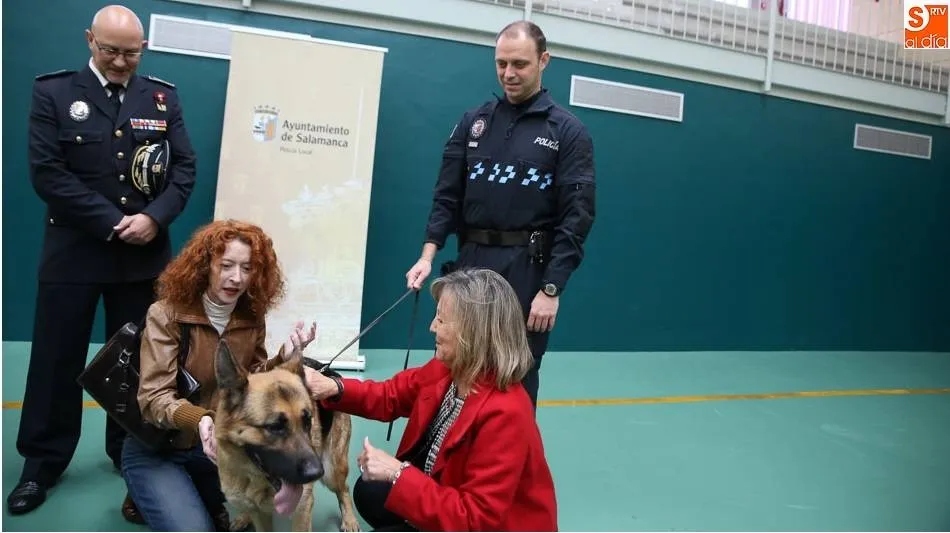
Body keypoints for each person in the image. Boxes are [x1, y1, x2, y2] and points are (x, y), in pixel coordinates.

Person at [8, 4, 197, 518]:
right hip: (74, 250)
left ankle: (129, 452)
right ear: (89, 40)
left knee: (138, 362)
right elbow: (47, 172)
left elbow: (183, 168)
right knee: (55, 360)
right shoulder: (54, 93)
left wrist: (155, 218)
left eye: (130, 53)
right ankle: (42, 463)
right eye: (110, 50)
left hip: (143, 257)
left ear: (143, 49)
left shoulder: (162, 97)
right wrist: (111, 222)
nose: (119, 62)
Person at [404, 20, 596, 410]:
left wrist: (551, 289)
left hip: (526, 271)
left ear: (544, 61)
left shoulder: (568, 132)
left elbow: (576, 217)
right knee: (458, 366)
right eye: (501, 63)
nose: (509, 74)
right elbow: (447, 197)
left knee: (515, 377)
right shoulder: (473, 122)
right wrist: (427, 256)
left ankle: (511, 468)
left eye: (520, 64)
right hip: (470, 264)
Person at [304, 268, 558, 532]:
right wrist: (332, 387)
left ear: (473, 333)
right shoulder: (449, 369)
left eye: (441, 319)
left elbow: (475, 520)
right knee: (371, 491)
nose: (431, 326)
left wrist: (398, 474)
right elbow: (390, 395)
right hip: (449, 498)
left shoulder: (506, 413)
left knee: (383, 489)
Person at [120, 219, 316, 531]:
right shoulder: (166, 314)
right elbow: (153, 399)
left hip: (215, 445)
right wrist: (200, 419)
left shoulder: (251, 317)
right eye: (226, 265)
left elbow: (251, 382)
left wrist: (285, 356)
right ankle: (143, 488)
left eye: (247, 268)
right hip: (160, 446)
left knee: (246, 506)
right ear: (204, 266)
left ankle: (189, 488)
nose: (236, 278)